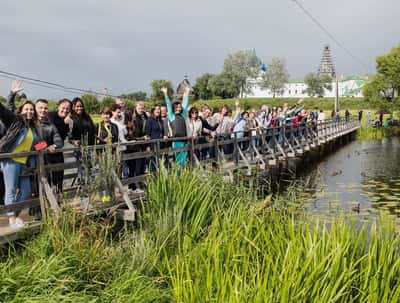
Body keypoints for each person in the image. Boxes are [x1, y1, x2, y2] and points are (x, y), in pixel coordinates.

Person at [0, 98, 41, 228]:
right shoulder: (16, 121)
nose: (29, 111)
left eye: (31, 109)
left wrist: (49, 145)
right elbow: (3, 111)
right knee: (11, 190)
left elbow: (37, 145)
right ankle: (12, 219)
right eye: (26, 109)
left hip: (25, 163)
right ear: (21, 110)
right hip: (11, 161)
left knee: (26, 191)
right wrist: (12, 94)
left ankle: (15, 215)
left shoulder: (33, 127)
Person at [47, 99, 72, 193]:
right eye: (63, 108)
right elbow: (53, 129)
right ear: (58, 107)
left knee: (59, 177)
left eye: (67, 109)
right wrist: (64, 122)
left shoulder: (67, 120)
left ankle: (59, 199)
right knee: (47, 178)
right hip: (46, 150)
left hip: (58, 150)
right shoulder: (51, 115)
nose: (65, 110)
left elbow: (65, 137)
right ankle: (47, 201)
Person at [161, 86, 191, 167]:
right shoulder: (171, 116)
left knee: (184, 160)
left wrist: (187, 92)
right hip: (176, 141)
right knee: (178, 160)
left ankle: (185, 176)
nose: (178, 108)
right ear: (174, 108)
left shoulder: (183, 115)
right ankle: (178, 176)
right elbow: (168, 105)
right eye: (176, 107)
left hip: (184, 140)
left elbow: (185, 103)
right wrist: (165, 94)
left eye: (179, 107)